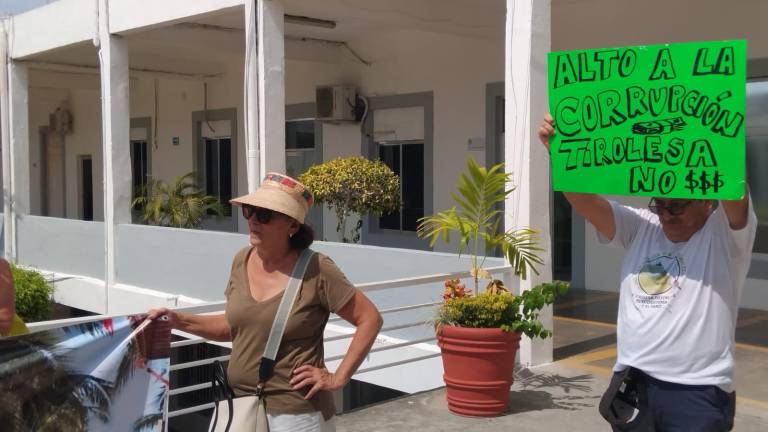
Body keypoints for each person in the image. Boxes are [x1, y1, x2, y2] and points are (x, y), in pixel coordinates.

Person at [538, 113, 757, 431]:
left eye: (678, 206)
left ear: (708, 201)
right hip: (633, 384)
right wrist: (561, 152)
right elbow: (584, 200)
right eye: (660, 204)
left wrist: (716, 134)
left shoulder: (725, 235)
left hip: (696, 392)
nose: (666, 215)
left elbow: (735, 189)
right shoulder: (641, 226)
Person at [148, 172, 383, 432]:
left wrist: (338, 378)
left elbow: (369, 318)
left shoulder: (317, 269)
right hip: (242, 405)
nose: (252, 221)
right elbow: (234, 327)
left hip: (296, 414)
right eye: (250, 211)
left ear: (292, 226)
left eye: (264, 215)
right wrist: (178, 320)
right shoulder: (242, 260)